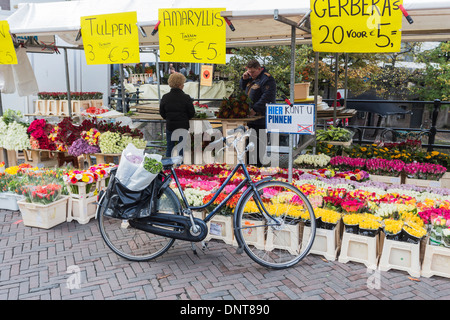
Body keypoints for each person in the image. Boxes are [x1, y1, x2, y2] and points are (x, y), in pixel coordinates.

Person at [239, 59, 277, 166]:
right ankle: (250, 168)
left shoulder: (267, 79)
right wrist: (244, 79)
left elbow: (267, 97)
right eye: (249, 72)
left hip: (261, 118)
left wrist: (254, 110)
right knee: (249, 146)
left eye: (253, 72)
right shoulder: (250, 79)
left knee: (259, 147)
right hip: (250, 119)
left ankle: (257, 169)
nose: (251, 74)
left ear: (259, 69)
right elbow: (242, 90)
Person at [159, 72, 195, 158]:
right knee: (181, 149)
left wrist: (168, 117)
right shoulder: (186, 97)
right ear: (180, 84)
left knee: (169, 148)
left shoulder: (165, 97)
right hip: (183, 126)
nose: (183, 85)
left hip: (170, 125)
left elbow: (162, 112)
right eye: (183, 83)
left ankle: (168, 168)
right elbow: (192, 113)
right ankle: (179, 169)